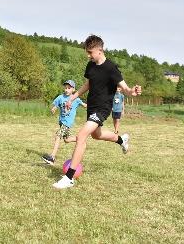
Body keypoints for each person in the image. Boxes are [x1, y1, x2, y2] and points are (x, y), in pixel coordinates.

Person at [53, 35, 142, 189]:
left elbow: (126, 88)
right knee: (96, 135)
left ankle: (69, 177)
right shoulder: (91, 65)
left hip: (103, 108)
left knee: (82, 135)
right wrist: (72, 98)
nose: (88, 55)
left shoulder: (111, 68)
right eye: (87, 52)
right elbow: (87, 85)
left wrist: (132, 91)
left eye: (90, 52)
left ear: (100, 50)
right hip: (92, 107)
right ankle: (122, 140)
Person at [42, 79, 87, 165]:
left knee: (58, 135)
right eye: (65, 88)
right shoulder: (60, 97)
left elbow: (84, 105)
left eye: (69, 88)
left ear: (73, 89)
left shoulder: (76, 99)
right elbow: (55, 105)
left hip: (67, 123)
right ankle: (80, 140)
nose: (66, 90)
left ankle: (52, 157)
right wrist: (54, 108)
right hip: (62, 122)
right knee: (66, 140)